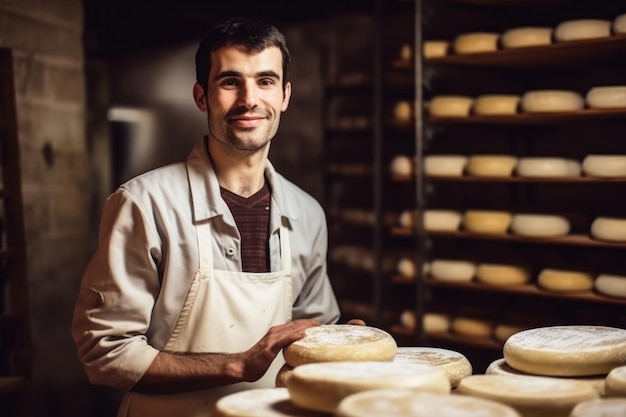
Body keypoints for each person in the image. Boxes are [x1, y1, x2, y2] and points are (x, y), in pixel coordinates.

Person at [72, 17, 363, 417]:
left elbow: (309, 332)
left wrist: (339, 341)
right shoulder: (144, 204)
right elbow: (104, 353)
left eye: (265, 81)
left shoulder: (307, 213)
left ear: (285, 96)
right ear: (201, 97)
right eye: (230, 82)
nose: (249, 99)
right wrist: (237, 365)